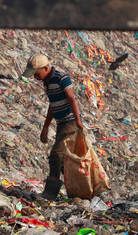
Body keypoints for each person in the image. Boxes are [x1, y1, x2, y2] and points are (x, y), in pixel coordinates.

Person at [22, 53, 84, 200]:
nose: (35, 77)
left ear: (45, 68)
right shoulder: (47, 81)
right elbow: (52, 105)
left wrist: (78, 121)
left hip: (69, 123)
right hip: (61, 124)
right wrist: (45, 127)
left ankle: (50, 194)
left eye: (36, 74)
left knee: (56, 155)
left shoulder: (61, 77)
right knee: (63, 161)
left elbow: (71, 98)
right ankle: (80, 189)